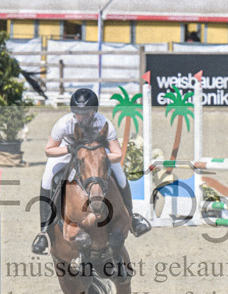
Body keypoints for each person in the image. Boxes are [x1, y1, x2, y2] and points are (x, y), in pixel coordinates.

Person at [32, 88, 151, 255]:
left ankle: (132, 219)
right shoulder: (64, 123)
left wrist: (99, 158)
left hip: (96, 156)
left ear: (94, 110)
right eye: (78, 113)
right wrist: (69, 148)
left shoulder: (103, 123)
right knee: (47, 178)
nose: (82, 117)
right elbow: (49, 150)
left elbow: (117, 153)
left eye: (86, 112)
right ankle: (44, 231)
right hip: (67, 153)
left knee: (121, 177)